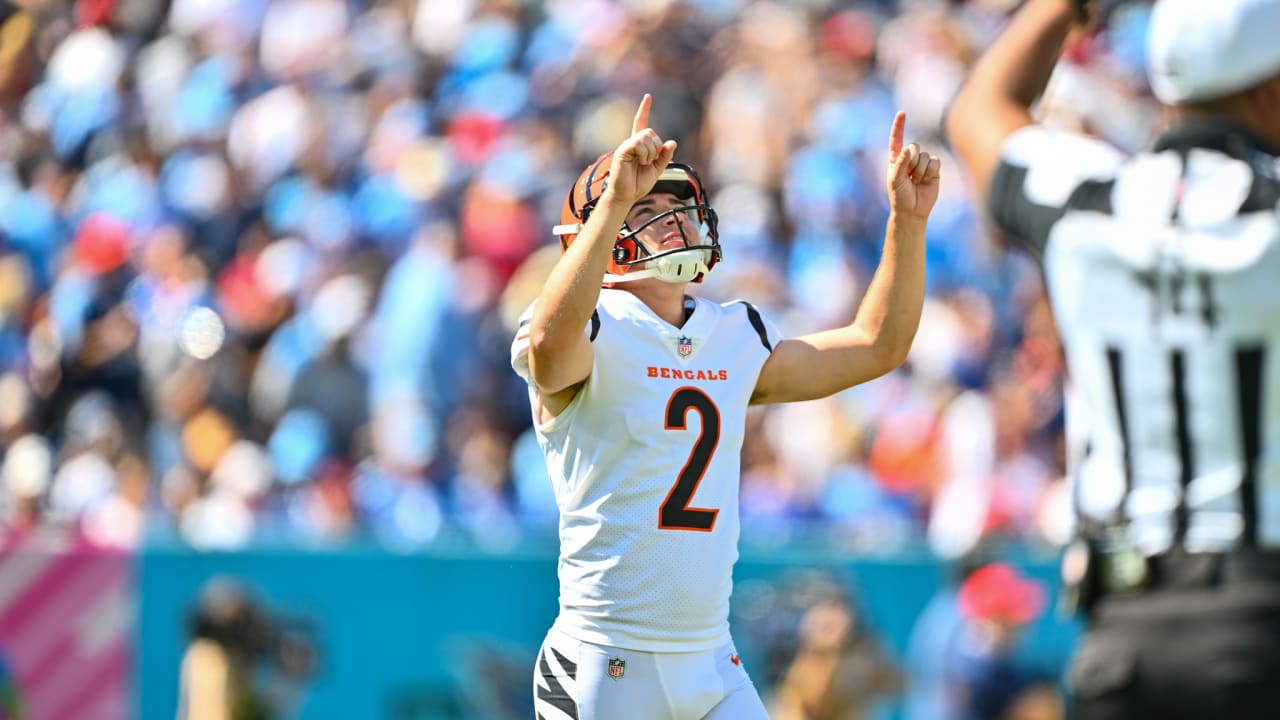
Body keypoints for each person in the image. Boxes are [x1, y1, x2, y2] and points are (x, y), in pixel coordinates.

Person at [511, 94, 940, 720]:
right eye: (645, 206)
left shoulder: (732, 335)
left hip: (711, 658)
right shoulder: (591, 325)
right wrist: (614, 202)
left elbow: (878, 344)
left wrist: (908, 220)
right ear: (596, 233)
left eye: (677, 205)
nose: (669, 219)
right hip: (605, 658)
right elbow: (551, 347)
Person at [944, 0, 1280, 717]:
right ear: (1268, 86)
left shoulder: (1086, 200)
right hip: (1262, 613)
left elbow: (982, 108)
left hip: (1123, 633)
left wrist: (1061, 7)